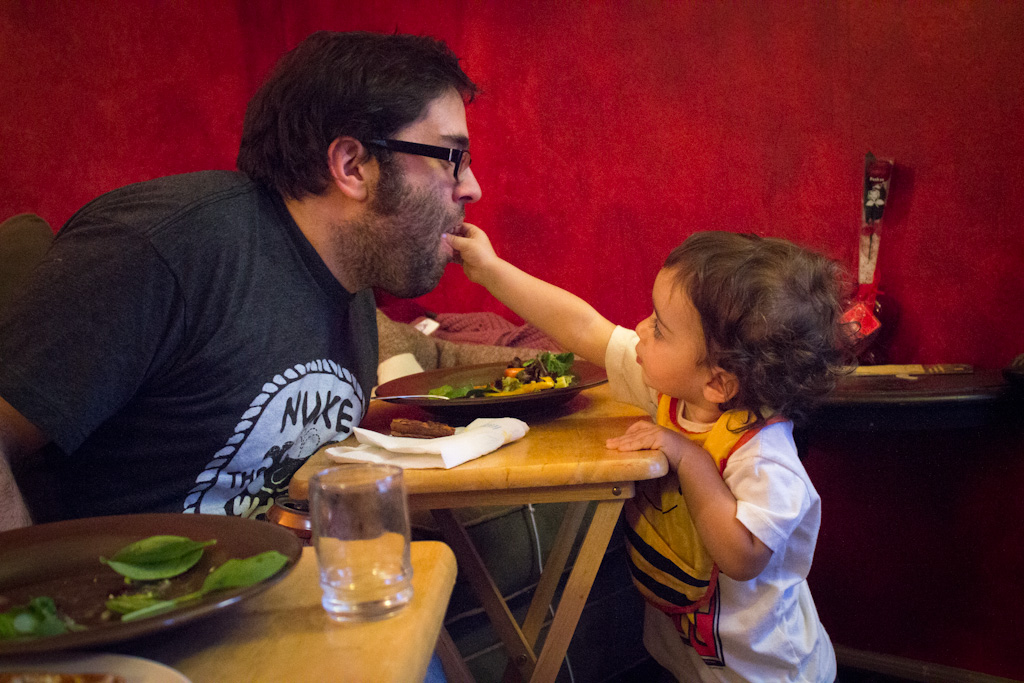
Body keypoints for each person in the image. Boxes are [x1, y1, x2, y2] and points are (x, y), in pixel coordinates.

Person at [0, 30, 483, 531]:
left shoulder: (351, 285)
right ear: (352, 165)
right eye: (452, 158)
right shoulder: (164, 247)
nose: (472, 188)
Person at [448, 226, 847, 682]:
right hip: (696, 662)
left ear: (718, 382)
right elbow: (584, 327)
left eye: (659, 328)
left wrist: (689, 458)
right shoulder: (674, 394)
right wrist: (490, 270)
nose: (639, 328)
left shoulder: (763, 456)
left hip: (772, 673)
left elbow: (743, 557)